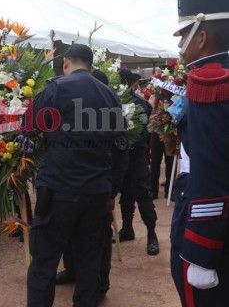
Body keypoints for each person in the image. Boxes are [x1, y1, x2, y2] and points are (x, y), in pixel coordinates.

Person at [24, 44, 125, 306]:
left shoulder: (56, 88)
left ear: (66, 62)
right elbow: (120, 147)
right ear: (91, 67)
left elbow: (29, 127)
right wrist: (112, 189)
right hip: (96, 191)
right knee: (90, 261)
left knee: (44, 262)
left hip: (59, 189)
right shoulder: (110, 96)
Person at [169, 0, 229, 306]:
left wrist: (200, 252)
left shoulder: (210, 81)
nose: (180, 46)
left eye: (183, 35)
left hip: (211, 234)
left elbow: (210, 174)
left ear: (201, 37)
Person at [55, 67, 129, 304]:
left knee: (98, 239)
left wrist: (113, 192)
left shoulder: (112, 117)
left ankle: (101, 283)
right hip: (72, 187)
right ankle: (73, 271)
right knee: (70, 233)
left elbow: (120, 156)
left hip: (99, 188)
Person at [117, 69, 160, 255]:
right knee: (125, 195)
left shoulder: (140, 103)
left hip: (136, 157)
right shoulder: (112, 101)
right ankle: (127, 229)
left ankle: (152, 233)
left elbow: (140, 133)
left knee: (143, 195)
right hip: (120, 157)